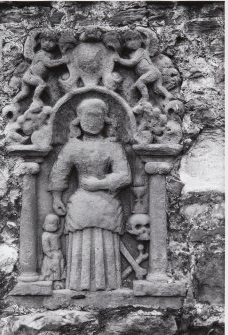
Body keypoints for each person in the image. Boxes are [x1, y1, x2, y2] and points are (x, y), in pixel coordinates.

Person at [48, 98, 131, 291]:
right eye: (88, 117)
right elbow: (59, 172)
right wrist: (56, 197)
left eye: (96, 116)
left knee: (106, 240)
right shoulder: (72, 147)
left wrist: (100, 183)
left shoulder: (113, 146)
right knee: (80, 241)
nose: (92, 122)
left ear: (105, 120)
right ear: (79, 120)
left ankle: (108, 284)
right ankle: (78, 283)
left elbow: (125, 176)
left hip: (106, 201)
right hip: (80, 202)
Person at [115, 30, 173, 102]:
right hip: (155, 72)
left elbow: (132, 62)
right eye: (129, 40)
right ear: (125, 43)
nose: (133, 42)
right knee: (157, 87)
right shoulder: (135, 52)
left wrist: (119, 60)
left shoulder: (140, 51)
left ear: (140, 41)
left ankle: (145, 98)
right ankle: (168, 95)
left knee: (139, 83)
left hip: (152, 72)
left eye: (135, 39)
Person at [40, 214, 65, 289]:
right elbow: (45, 245)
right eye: (49, 224)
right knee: (52, 267)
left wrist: (63, 220)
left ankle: (58, 280)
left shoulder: (55, 234)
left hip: (58, 253)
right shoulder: (45, 235)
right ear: (44, 224)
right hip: (51, 255)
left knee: (60, 266)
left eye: (54, 224)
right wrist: (48, 253)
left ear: (58, 225)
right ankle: (50, 280)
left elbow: (60, 233)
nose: (51, 226)